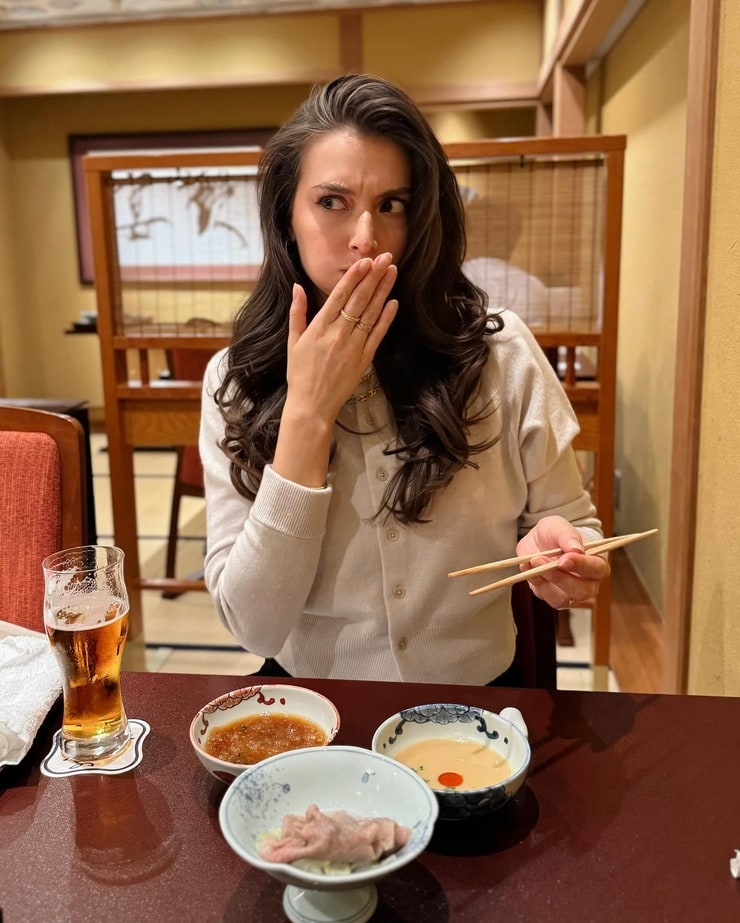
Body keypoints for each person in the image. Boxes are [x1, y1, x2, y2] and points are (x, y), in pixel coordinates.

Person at [199, 74, 610, 686]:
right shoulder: (235, 379)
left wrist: (560, 545)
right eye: (332, 202)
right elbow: (253, 626)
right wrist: (308, 412)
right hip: (316, 710)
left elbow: (570, 523)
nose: (366, 238)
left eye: (393, 205)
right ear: (287, 215)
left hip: (476, 711)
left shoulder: (500, 352)